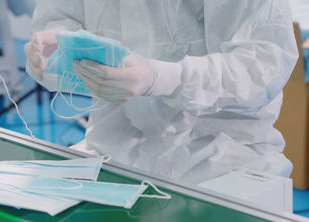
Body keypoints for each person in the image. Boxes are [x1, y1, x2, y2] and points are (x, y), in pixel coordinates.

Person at [24, 1, 299, 184]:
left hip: (223, 165)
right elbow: (60, 19)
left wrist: (162, 78)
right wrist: (53, 52)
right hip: (111, 156)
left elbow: (261, 65)